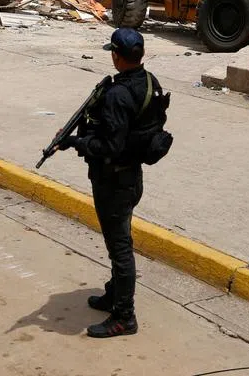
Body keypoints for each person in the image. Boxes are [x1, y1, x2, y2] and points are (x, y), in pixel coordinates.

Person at [59, 27, 157, 338]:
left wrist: (78, 143)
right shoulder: (148, 81)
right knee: (119, 241)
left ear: (117, 56)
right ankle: (114, 294)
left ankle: (124, 317)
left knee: (120, 248)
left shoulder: (117, 94)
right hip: (132, 176)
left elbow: (110, 147)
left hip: (114, 180)